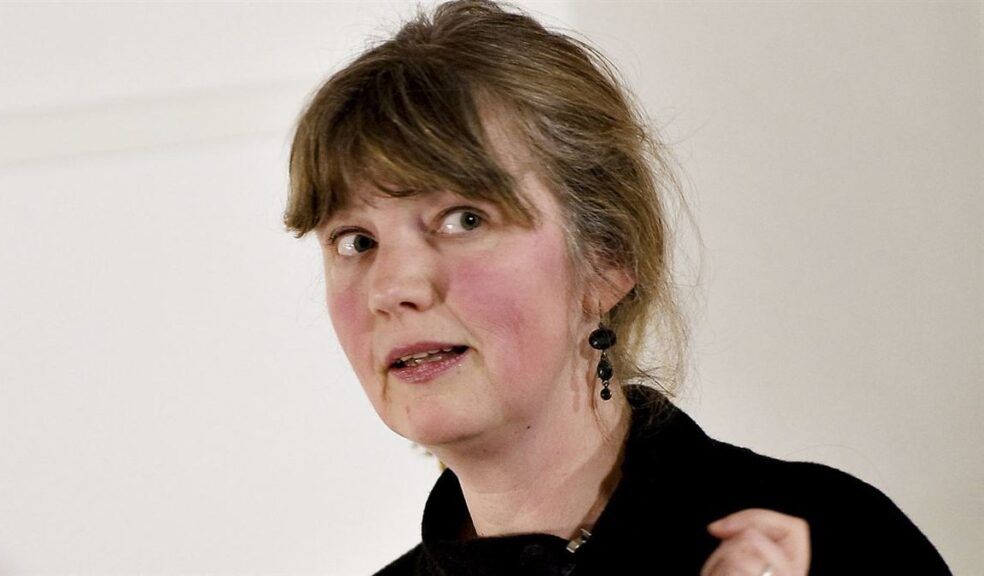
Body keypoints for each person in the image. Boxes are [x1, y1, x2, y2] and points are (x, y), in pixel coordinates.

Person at [284, 1, 951, 574]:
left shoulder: (832, 539)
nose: (392, 288)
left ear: (607, 258)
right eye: (355, 241)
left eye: (464, 219)